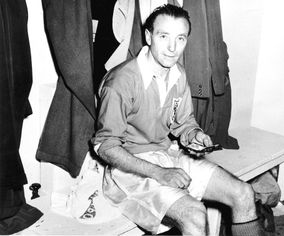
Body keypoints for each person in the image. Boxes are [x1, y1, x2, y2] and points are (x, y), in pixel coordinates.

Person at [92, 4, 265, 236]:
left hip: (168, 156)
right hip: (129, 171)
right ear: (148, 36)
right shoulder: (121, 82)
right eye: (164, 36)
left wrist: (194, 134)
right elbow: (105, 147)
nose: (173, 48)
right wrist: (158, 173)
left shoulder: (178, 73)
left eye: (180, 38)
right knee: (194, 214)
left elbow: (184, 123)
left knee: (243, 193)